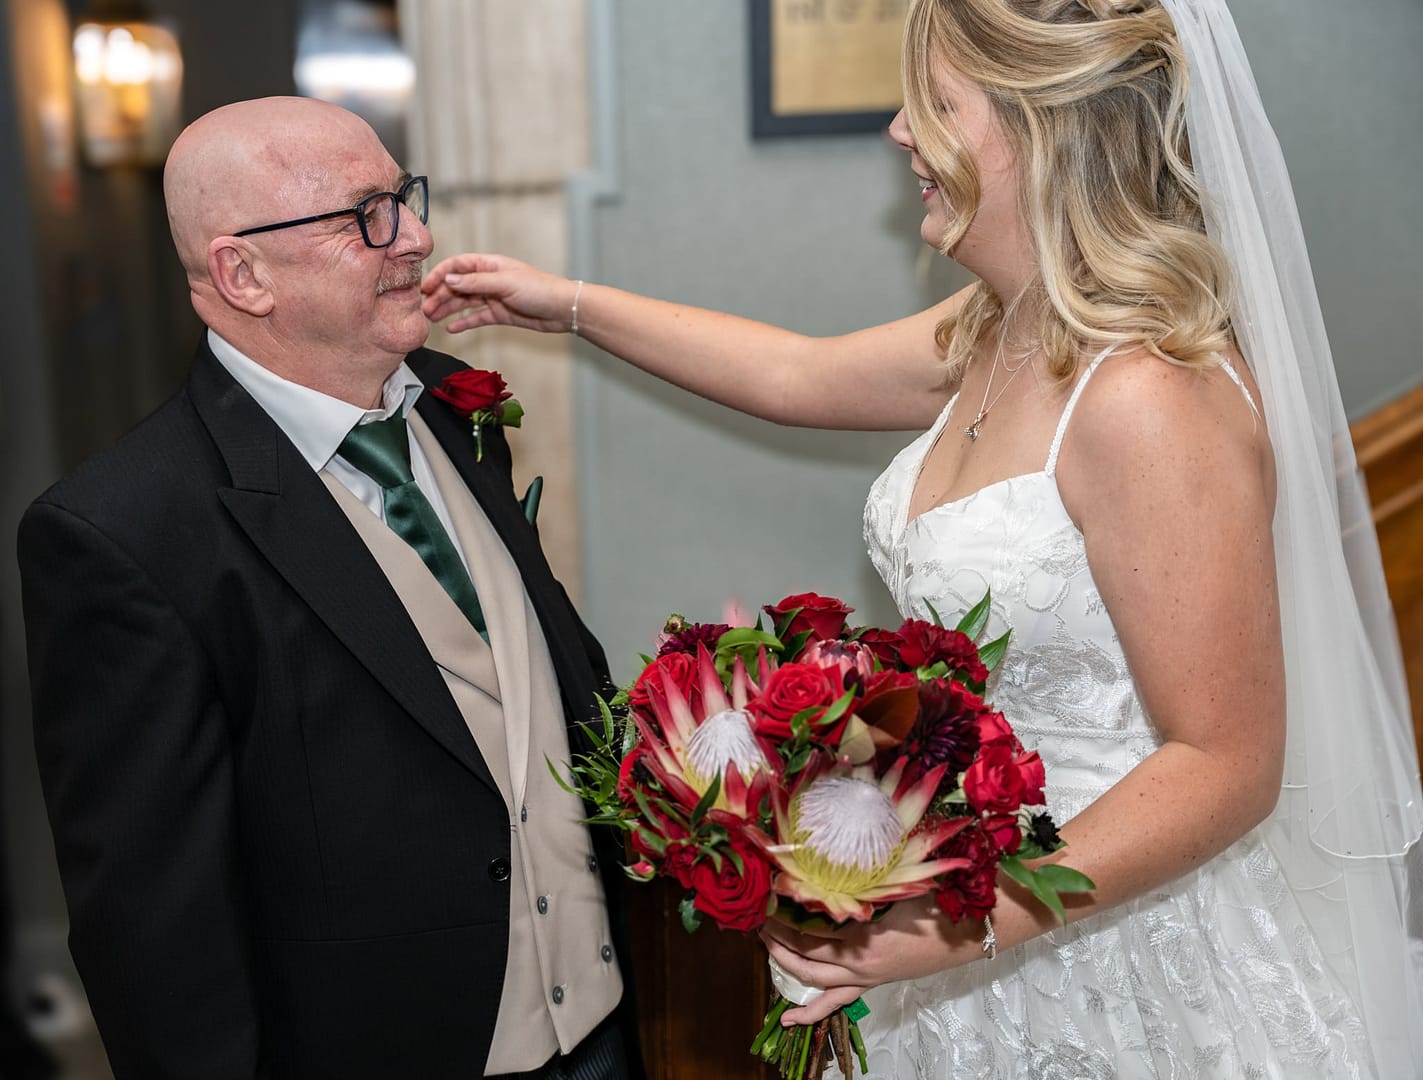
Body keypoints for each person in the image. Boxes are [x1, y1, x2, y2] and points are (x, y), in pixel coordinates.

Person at [419, 0, 1423, 1075]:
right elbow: (793, 374)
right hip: (967, 912)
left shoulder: (1147, 398)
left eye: (936, 102)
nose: (900, 131)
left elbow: (1225, 763)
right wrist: (564, 302)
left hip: (1114, 940)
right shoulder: (997, 328)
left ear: (1048, 122)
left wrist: (956, 922)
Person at [18, 96, 643, 1080]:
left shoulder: (453, 406)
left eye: (405, 197)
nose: (418, 235)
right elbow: (155, 931)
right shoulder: (123, 533)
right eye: (367, 216)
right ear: (243, 274)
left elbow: (536, 686)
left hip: (605, 1028)